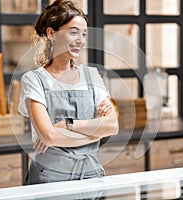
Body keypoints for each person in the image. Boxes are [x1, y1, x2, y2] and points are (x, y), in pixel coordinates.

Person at [18, 0, 118, 185]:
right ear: (51, 34)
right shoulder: (34, 80)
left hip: (92, 176)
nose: (81, 40)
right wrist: (95, 133)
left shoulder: (92, 76)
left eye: (84, 33)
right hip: (49, 178)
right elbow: (49, 136)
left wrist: (67, 124)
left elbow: (112, 126)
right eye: (73, 32)